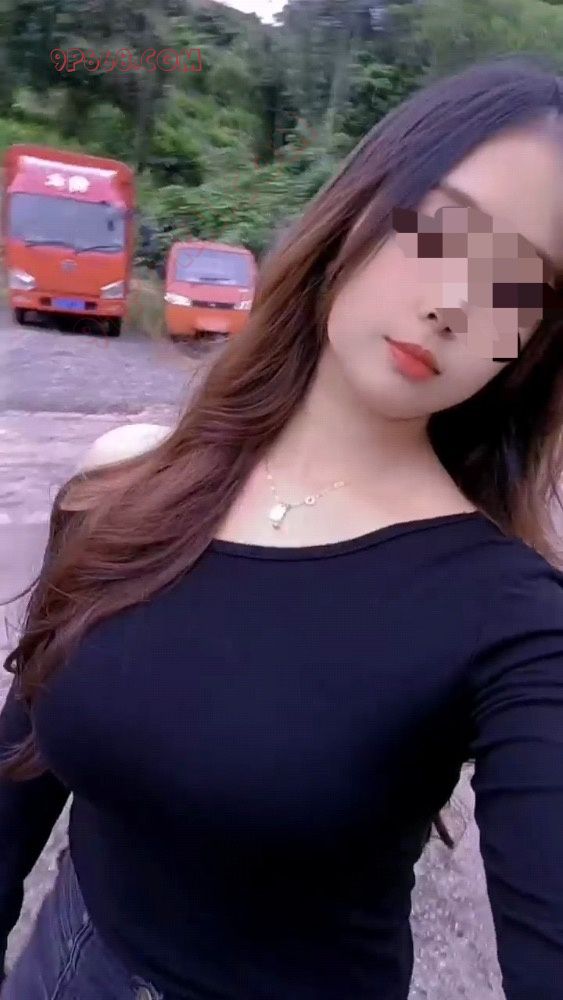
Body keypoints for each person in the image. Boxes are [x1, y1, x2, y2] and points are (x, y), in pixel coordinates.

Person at [1, 56, 563, 1000]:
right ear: (361, 204)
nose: (453, 304)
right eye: (441, 230)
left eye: (519, 284)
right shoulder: (123, 483)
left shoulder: (513, 621)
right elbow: (21, 768)